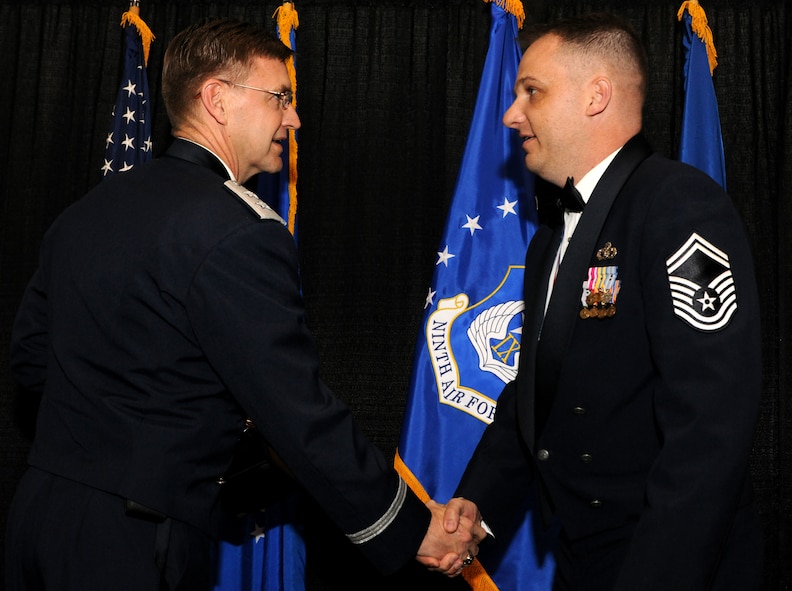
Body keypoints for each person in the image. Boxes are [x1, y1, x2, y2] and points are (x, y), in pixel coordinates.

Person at [6, 18, 484, 590]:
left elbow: (33, 360)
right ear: (217, 100)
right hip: (133, 537)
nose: (294, 117)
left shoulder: (86, 213)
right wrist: (410, 527)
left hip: (36, 516)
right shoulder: (239, 231)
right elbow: (297, 412)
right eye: (280, 97)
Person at [442, 12, 763, 591]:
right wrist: (477, 504)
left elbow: (709, 430)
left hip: (665, 560)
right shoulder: (549, 241)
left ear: (597, 96)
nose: (512, 114)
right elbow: (539, 388)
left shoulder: (680, 208)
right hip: (581, 562)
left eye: (531, 92)